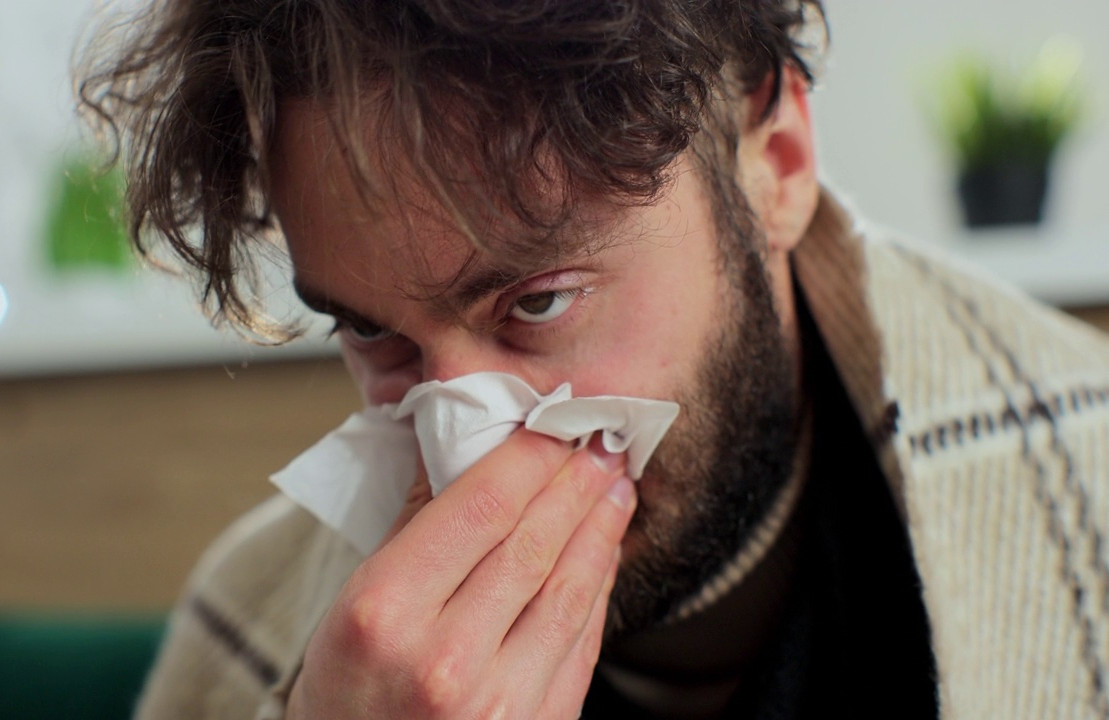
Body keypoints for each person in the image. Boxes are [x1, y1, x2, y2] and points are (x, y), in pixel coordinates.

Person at [79, 1, 1109, 718]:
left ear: (776, 168)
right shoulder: (251, 617)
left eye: (537, 302)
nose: (462, 455)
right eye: (372, 332)